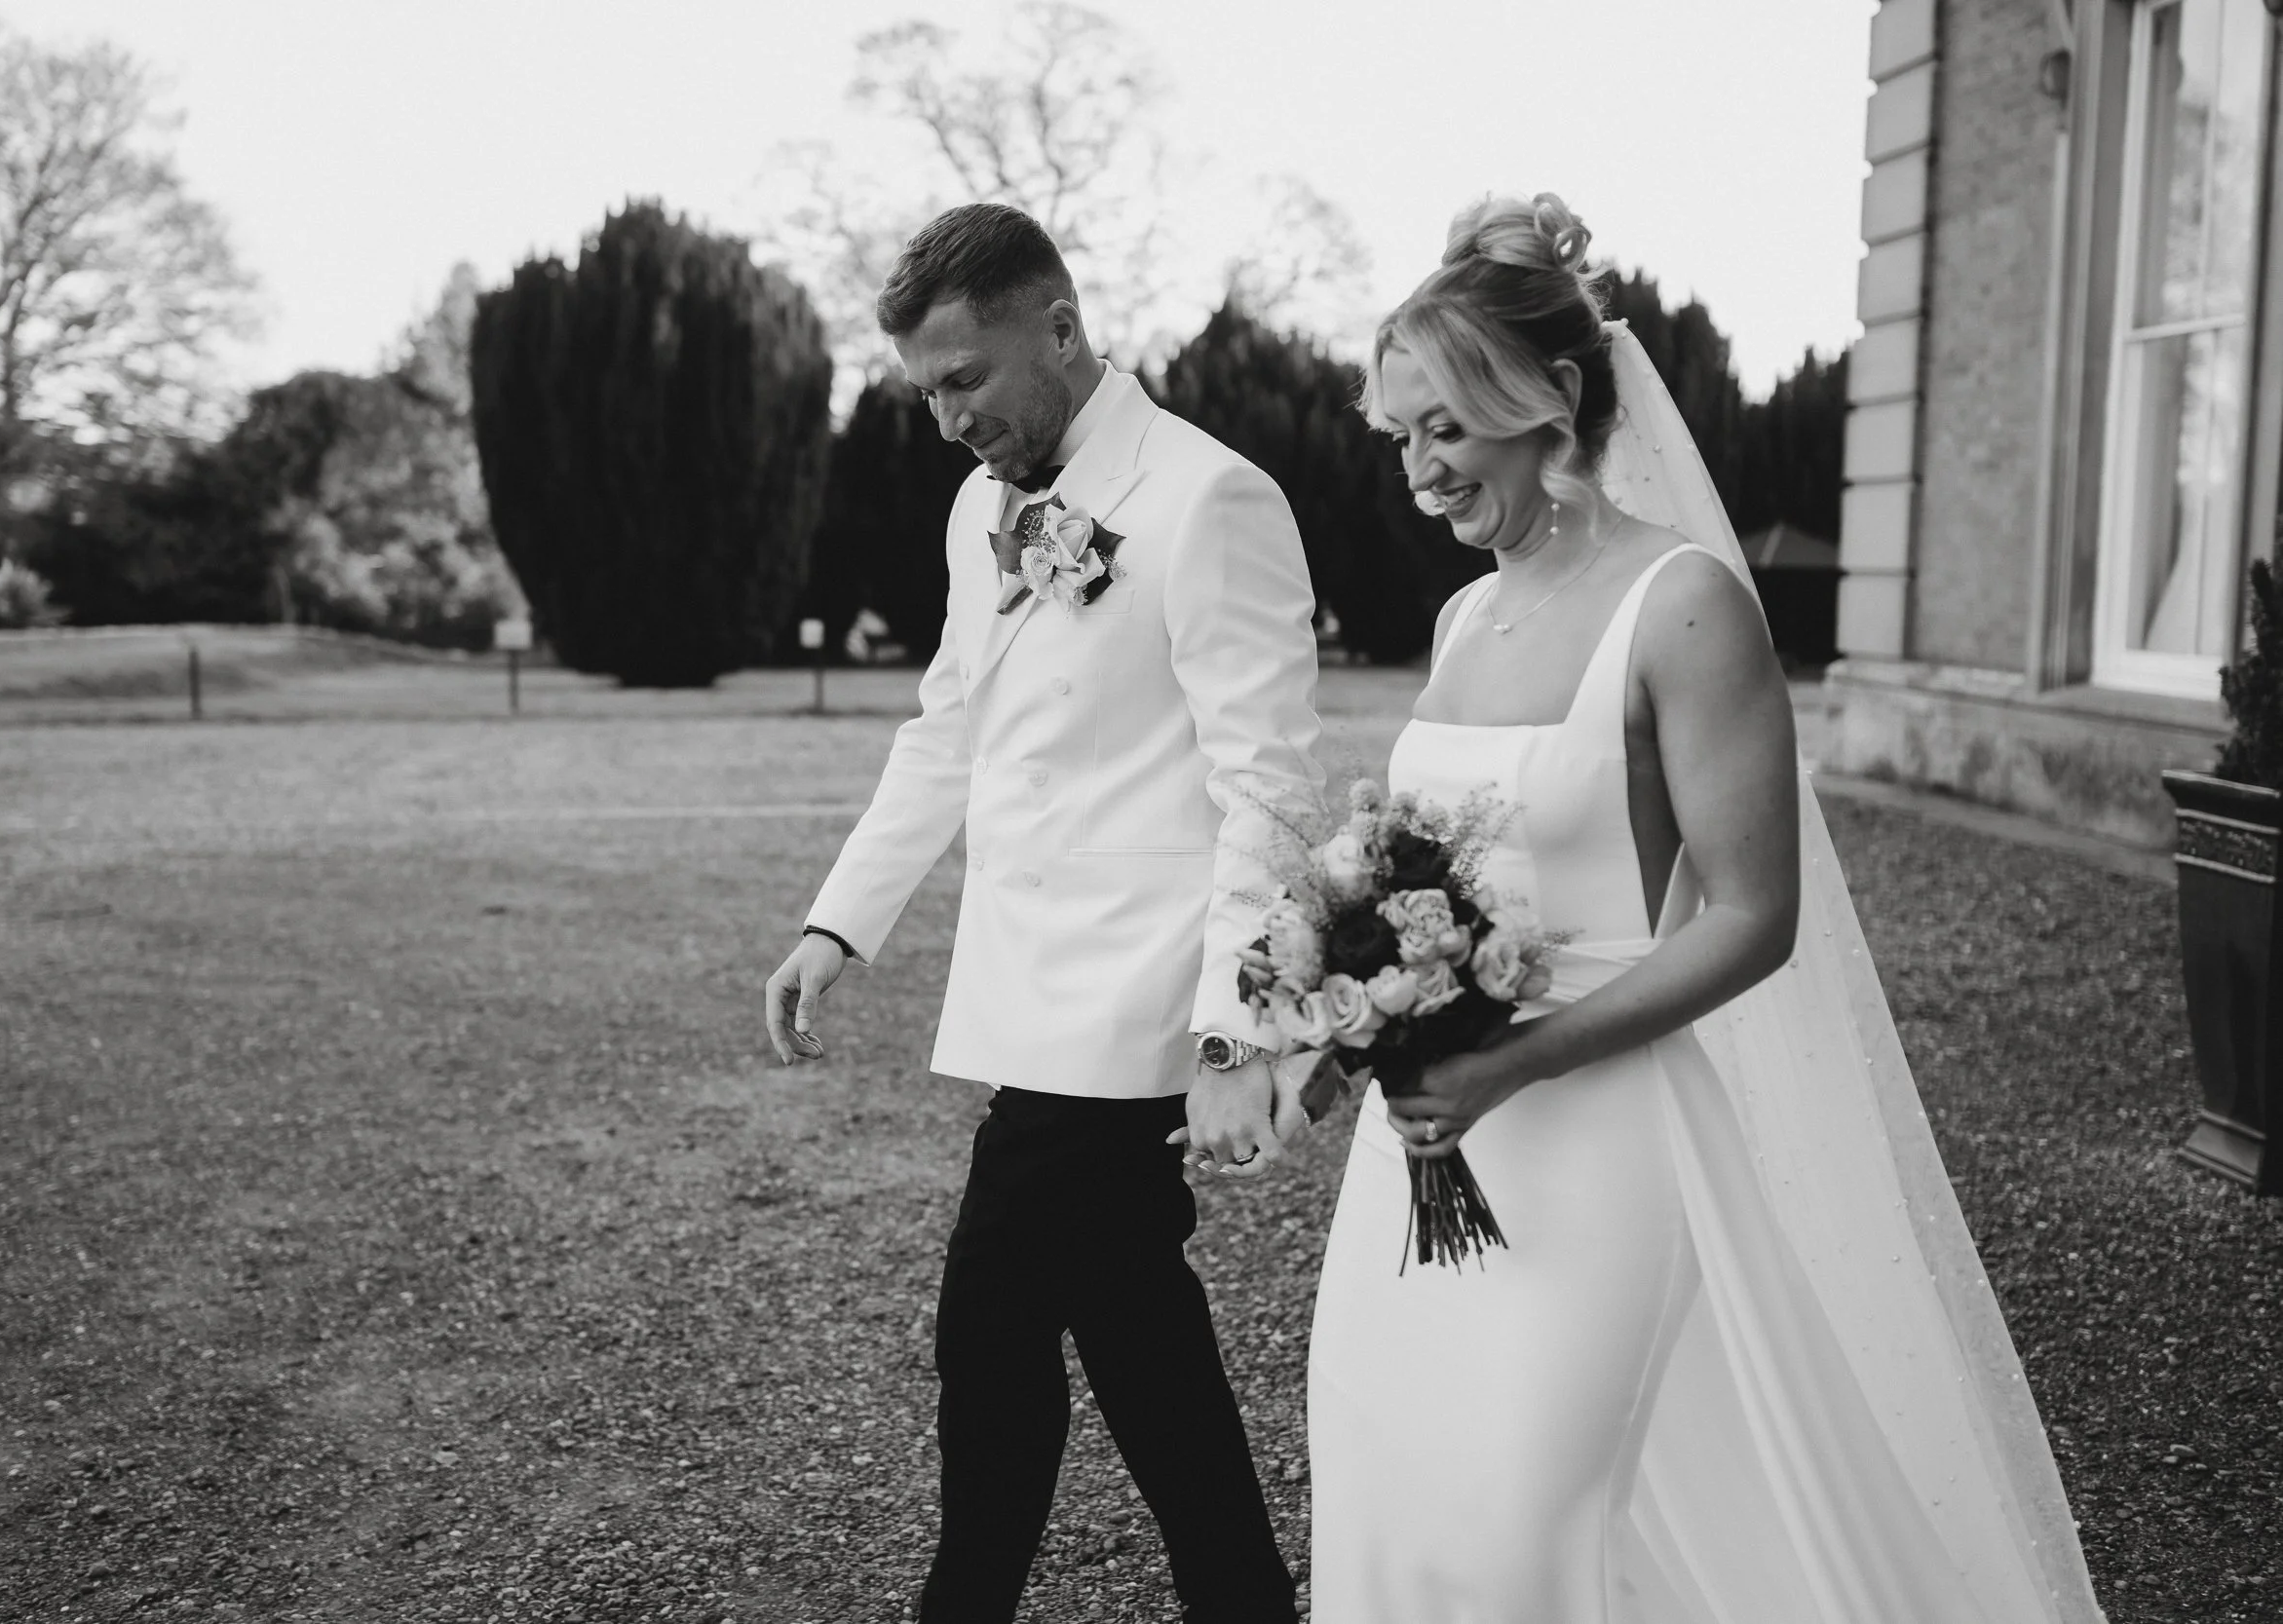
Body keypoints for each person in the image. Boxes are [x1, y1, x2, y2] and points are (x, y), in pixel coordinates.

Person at [1303, 194, 2103, 1622]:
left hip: (1602, 1134)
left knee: (1518, 1516)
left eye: (1445, 427)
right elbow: (1420, 872)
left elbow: (1749, 915)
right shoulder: (1461, 618)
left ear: (1550, 401)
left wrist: (1517, 1056)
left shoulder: (1682, 606)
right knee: (1386, 1474)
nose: (1419, 471)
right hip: (1422, 1149)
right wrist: (1324, 1004)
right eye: (1401, 435)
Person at [760, 203, 1320, 1624]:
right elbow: (948, 725)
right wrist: (842, 922)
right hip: (1030, 996)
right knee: (1138, 1334)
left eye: (963, 380)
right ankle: (1246, 1601)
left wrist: (1236, 1030)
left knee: (991, 1325)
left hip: (1138, 1010)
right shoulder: (979, 509)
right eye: (925, 389)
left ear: (1059, 332)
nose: (945, 419)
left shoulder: (1209, 499)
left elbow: (1268, 787)